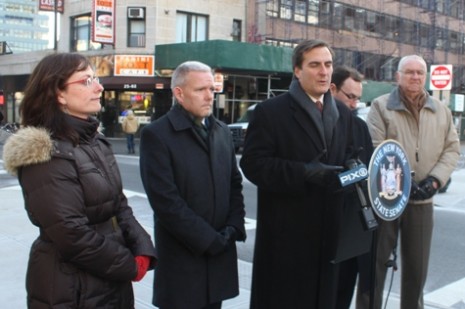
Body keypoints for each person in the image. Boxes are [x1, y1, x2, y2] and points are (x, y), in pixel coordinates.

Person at [2, 53, 157, 308]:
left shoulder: (95, 141)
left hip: (110, 280)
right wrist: (128, 265)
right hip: (71, 287)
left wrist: (142, 247)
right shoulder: (44, 152)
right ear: (59, 94)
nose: (99, 87)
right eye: (86, 81)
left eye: (96, 79)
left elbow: (120, 205)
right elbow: (72, 234)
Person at [240, 39, 354, 309]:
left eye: (328, 64)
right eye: (314, 65)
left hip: (330, 235)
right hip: (287, 238)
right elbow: (253, 164)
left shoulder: (343, 114)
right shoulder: (270, 112)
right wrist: (304, 173)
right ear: (297, 70)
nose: (324, 72)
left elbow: (350, 154)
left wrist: (352, 168)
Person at [139, 61, 246, 309]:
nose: (209, 96)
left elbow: (234, 183)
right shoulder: (157, 134)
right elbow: (165, 202)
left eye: (212, 89)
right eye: (200, 90)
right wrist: (208, 239)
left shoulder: (221, 131)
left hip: (219, 258)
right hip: (183, 263)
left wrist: (233, 226)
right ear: (179, 93)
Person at [361, 54, 459, 309]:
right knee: (376, 267)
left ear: (425, 77)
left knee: (417, 270)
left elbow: (451, 149)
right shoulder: (381, 106)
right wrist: (403, 181)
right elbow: (376, 146)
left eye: (420, 73)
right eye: (410, 72)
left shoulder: (441, 111)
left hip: (422, 200)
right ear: (398, 76)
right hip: (387, 201)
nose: (415, 77)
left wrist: (435, 181)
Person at [330, 66, 374, 308]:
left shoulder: (359, 128)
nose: (356, 104)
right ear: (332, 89)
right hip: (322, 227)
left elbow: (366, 172)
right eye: (351, 97)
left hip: (351, 227)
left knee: (343, 293)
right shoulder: (319, 123)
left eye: (358, 98)